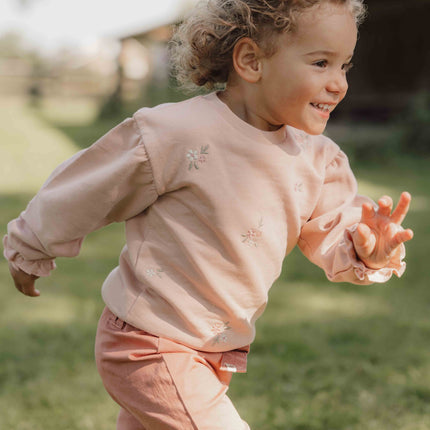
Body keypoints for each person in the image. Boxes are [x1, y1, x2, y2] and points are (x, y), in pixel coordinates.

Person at [3, 0, 414, 429]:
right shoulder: (175, 133)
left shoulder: (319, 160)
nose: (339, 84)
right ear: (251, 61)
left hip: (212, 351)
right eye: (321, 63)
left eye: (344, 66)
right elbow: (86, 189)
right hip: (147, 344)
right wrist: (30, 245)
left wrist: (370, 249)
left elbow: (335, 229)